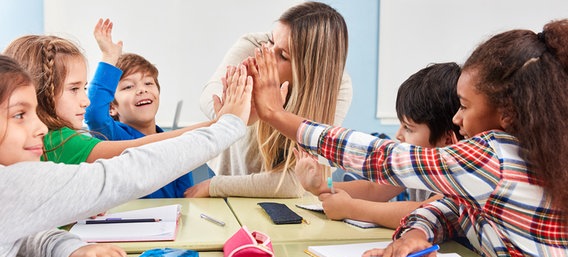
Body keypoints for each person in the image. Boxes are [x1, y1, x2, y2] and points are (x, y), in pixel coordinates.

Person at [250, 20, 568, 257]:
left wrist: (278, 116)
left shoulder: (494, 155)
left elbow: (385, 158)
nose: (457, 118)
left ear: (507, 114)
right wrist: (418, 232)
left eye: (466, 107)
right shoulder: (529, 153)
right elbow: (455, 207)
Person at [0, 54, 252, 257]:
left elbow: (17, 235)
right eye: (19, 115)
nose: (41, 129)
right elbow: (129, 171)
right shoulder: (15, 182)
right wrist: (226, 126)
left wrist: (65, 251)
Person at [186, 1, 351, 198]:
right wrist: (241, 114)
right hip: (234, 194)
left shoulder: (336, 86)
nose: (267, 55)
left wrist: (214, 186)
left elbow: (293, 184)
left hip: (293, 207)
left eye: (283, 55)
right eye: (271, 41)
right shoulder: (255, 46)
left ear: (309, 69)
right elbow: (210, 98)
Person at [3, 32, 212, 178]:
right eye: (74, 89)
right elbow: (142, 149)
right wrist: (217, 124)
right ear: (41, 91)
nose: (85, 100)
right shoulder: (60, 141)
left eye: (84, 88)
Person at [295, 63, 462, 229]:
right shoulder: (413, 164)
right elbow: (373, 189)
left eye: (409, 128)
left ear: (447, 140)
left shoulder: (459, 175)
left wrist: (350, 208)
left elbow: (423, 212)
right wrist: (322, 186)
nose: (398, 135)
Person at [84, 19, 195, 198]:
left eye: (148, 83)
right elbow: (94, 113)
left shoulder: (173, 143)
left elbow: (186, 197)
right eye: (128, 87)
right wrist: (109, 57)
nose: (142, 89)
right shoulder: (115, 138)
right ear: (112, 108)